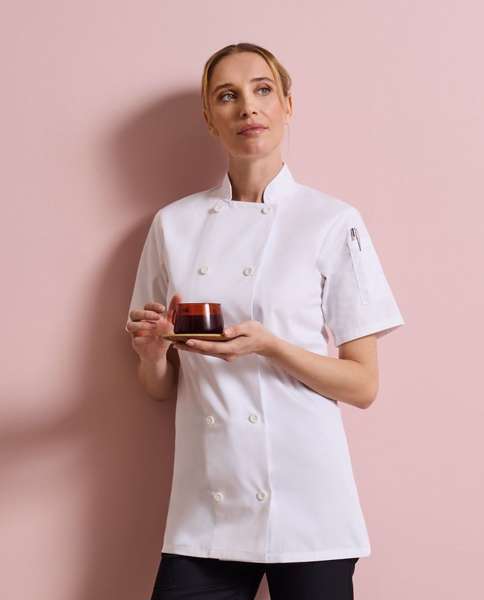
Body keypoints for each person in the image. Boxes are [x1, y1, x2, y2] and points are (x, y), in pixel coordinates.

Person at [124, 42, 405, 600]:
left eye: (262, 90)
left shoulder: (333, 221)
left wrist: (269, 346)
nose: (248, 107)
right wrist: (152, 355)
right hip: (206, 505)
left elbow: (363, 385)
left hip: (309, 503)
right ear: (210, 117)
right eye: (227, 96)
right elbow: (159, 387)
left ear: (287, 105)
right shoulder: (173, 225)